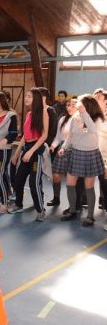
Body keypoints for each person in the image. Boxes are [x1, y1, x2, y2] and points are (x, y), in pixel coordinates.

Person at [59, 94, 105, 227]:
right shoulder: (76, 117)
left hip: (91, 154)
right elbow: (70, 136)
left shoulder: (97, 119)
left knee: (89, 187)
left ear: (87, 106)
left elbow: (91, 129)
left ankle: (90, 216)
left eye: (80, 103)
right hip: (76, 153)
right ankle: (72, 210)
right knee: (69, 184)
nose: (77, 105)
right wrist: (64, 147)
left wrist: (84, 113)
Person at [8, 88, 49, 221]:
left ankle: (40, 210)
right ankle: (18, 204)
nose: (26, 98)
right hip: (27, 149)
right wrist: (17, 153)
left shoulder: (43, 113)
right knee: (18, 179)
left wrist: (31, 151)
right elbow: (25, 136)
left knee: (34, 182)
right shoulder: (29, 114)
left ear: (36, 99)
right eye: (26, 96)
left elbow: (44, 135)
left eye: (29, 96)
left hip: (36, 151)